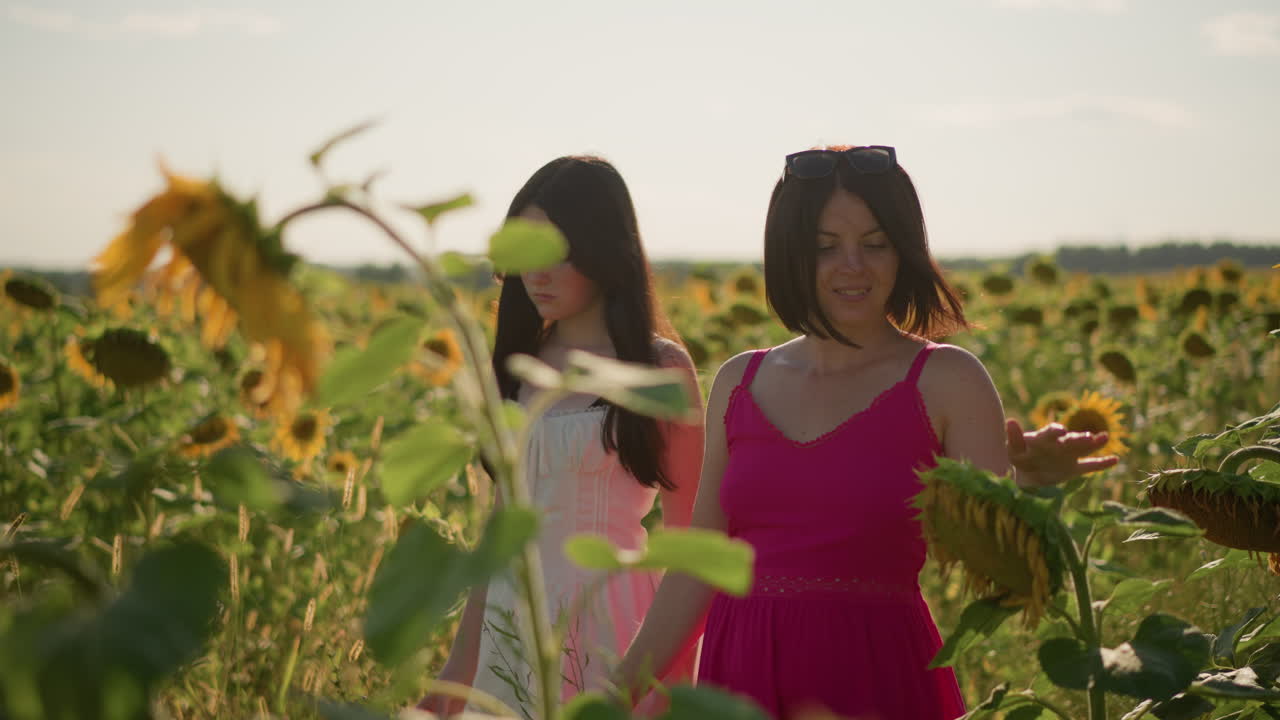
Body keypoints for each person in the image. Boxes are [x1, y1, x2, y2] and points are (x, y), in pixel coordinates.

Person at [614, 145, 1118, 719]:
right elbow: (695, 569)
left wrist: (1028, 486)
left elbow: (999, 570)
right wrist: (613, 696)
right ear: (790, 255)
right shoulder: (739, 382)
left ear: (903, 250)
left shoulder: (946, 380)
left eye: (875, 244)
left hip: (876, 674)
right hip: (742, 678)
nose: (853, 265)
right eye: (826, 248)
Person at [418, 156, 703, 717]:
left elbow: (691, 546)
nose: (537, 274)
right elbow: (500, 538)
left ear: (602, 249)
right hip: (510, 621)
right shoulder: (520, 364)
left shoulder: (660, 368)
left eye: (556, 251)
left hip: (613, 629)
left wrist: (672, 692)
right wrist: (456, 673)